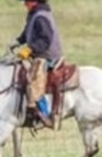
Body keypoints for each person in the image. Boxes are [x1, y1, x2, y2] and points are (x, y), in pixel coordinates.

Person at [9, 0, 63, 128]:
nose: (24, 4)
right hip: (37, 52)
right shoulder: (34, 14)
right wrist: (18, 41)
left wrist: (30, 49)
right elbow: (28, 33)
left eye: (27, 1)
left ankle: (44, 114)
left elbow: (45, 40)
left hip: (47, 55)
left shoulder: (41, 17)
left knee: (34, 77)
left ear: (34, 2)